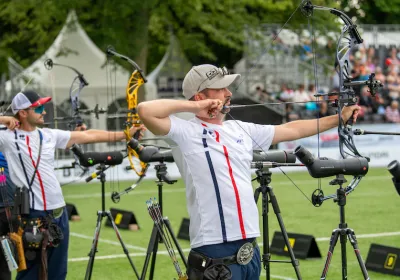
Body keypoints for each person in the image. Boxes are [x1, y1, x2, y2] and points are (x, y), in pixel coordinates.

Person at [137, 64, 360, 280]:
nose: (228, 93)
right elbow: (145, 110)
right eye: (220, 89)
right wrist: (196, 108)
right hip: (214, 250)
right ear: (199, 96)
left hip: (249, 249)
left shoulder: (239, 129)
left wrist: (338, 119)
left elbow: (291, 129)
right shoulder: (184, 132)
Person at [0, 90, 144, 280]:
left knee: (58, 273)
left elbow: (90, 136)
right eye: (39, 108)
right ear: (23, 113)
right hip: (33, 215)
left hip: (59, 214)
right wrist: (3, 119)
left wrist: (125, 135)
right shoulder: (7, 137)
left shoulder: (48, 135)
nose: (44, 112)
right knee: (31, 273)